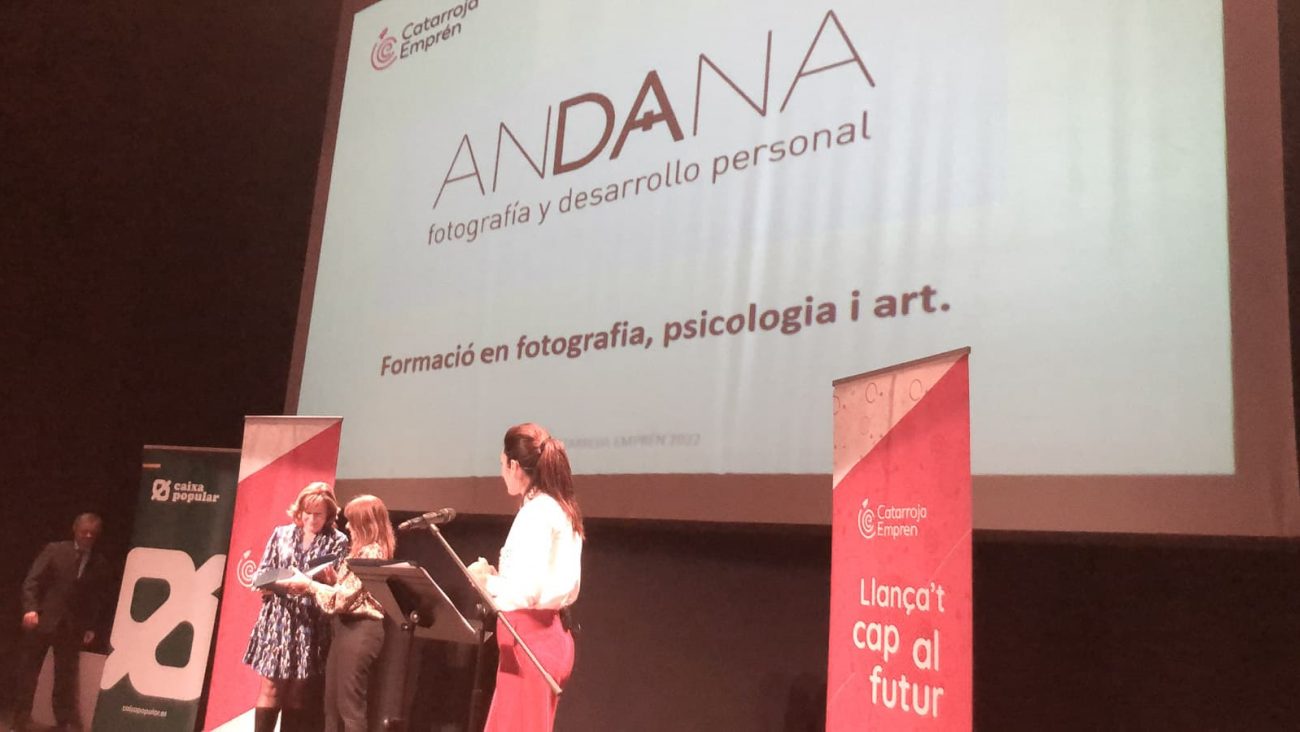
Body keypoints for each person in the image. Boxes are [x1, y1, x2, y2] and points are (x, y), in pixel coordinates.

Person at [468, 422, 584, 732]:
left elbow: (525, 593)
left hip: (531, 641)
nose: (501, 473)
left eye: (501, 464)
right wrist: (498, 579)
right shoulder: (557, 508)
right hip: (540, 638)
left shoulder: (538, 512)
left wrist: (485, 581)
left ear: (515, 466)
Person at [282, 494, 395, 732]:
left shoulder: (371, 553)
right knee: (332, 706)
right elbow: (350, 593)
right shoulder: (361, 552)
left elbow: (343, 600)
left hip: (361, 630)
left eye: (352, 522)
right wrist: (333, 582)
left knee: (349, 707)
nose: (348, 527)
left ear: (365, 524)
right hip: (346, 629)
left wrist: (309, 585)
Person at [243, 482, 349, 732]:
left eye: (318, 514)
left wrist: (329, 581)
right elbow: (261, 575)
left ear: (329, 514)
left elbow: (338, 586)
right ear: (299, 511)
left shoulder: (337, 540)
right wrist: (287, 585)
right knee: (271, 688)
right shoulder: (281, 534)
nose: (311, 519)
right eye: (307, 513)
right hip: (278, 620)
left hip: (311, 623)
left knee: (298, 694)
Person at [13, 512, 111, 732]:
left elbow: (96, 597)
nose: (88, 536)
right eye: (84, 531)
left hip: (72, 626)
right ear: (75, 529)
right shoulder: (55, 550)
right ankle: (19, 721)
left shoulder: (99, 562)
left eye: (92, 533)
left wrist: (91, 626)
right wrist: (30, 609)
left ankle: (64, 723)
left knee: (65, 677)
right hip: (43, 620)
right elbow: (32, 581)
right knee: (28, 673)